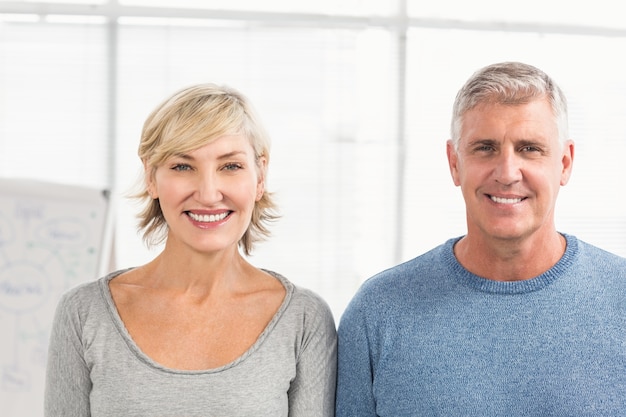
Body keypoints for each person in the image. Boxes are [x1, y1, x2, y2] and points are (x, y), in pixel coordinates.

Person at [335, 61, 626, 416]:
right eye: (485, 148)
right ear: (454, 163)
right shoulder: (378, 312)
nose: (507, 173)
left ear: (564, 163)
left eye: (529, 149)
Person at [44, 83, 337, 417]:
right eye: (183, 166)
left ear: (260, 177)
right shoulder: (84, 313)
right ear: (151, 177)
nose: (209, 193)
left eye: (230, 166)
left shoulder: (304, 319)